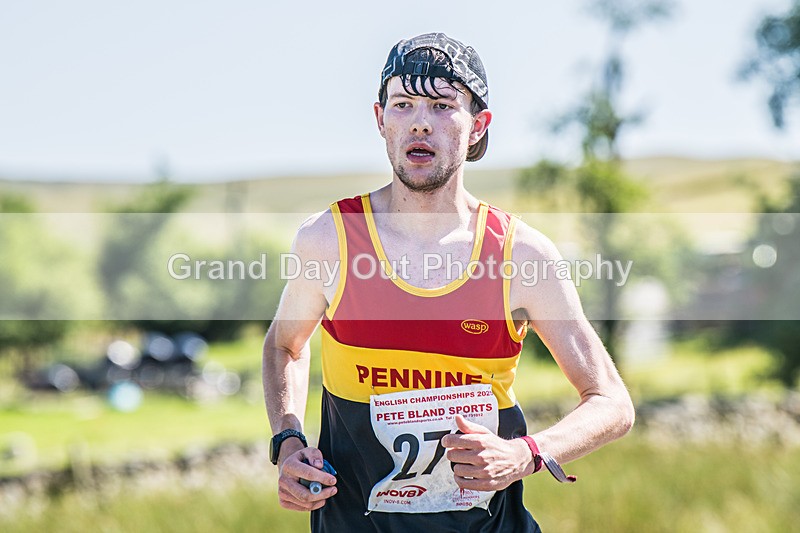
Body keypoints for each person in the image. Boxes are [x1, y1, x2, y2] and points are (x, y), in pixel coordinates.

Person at [263, 32, 635, 532]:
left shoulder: (521, 255)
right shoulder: (329, 239)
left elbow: (612, 403)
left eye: (442, 106)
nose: (420, 122)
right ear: (380, 119)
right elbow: (284, 347)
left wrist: (525, 454)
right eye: (403, 104)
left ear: (478, 126)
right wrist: (287, 442)